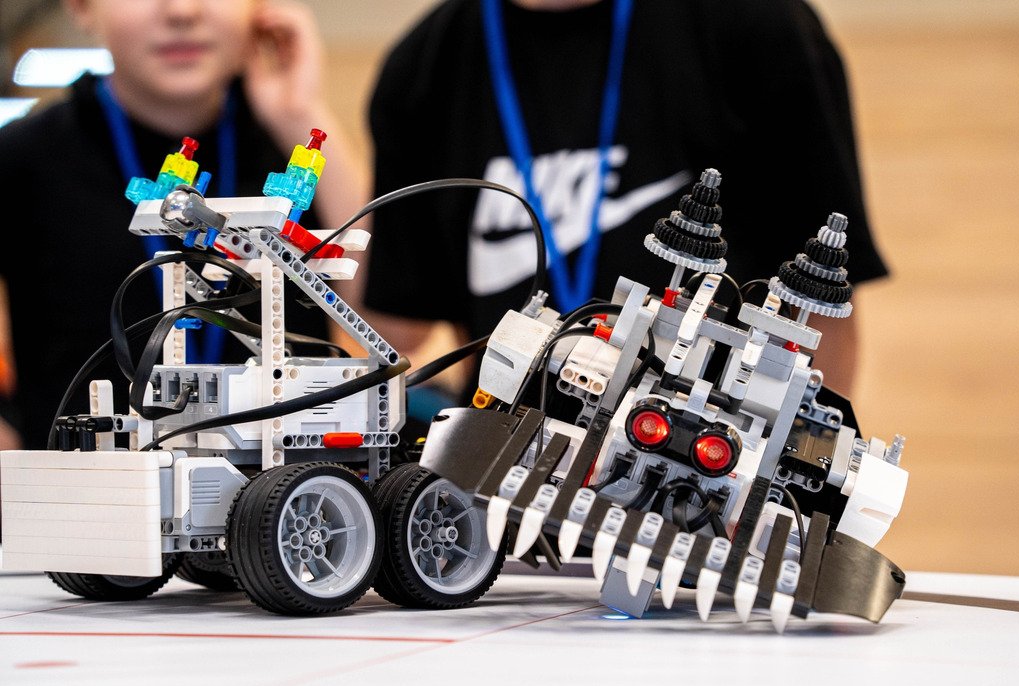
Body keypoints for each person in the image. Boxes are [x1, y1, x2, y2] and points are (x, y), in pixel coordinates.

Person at [361, 0, 889, 407]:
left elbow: (820, 315)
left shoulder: (756, 26)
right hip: (501, 462)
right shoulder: (424, 67)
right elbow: (399, 326)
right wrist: (313, 113)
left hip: (702, 465)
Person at [0, 0, 368, 451]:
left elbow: (396, 321)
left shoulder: (286, 146)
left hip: (291, 477)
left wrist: (300, 113)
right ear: (82, 7)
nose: (182, 10)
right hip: (88, 477)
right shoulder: (25, 157)